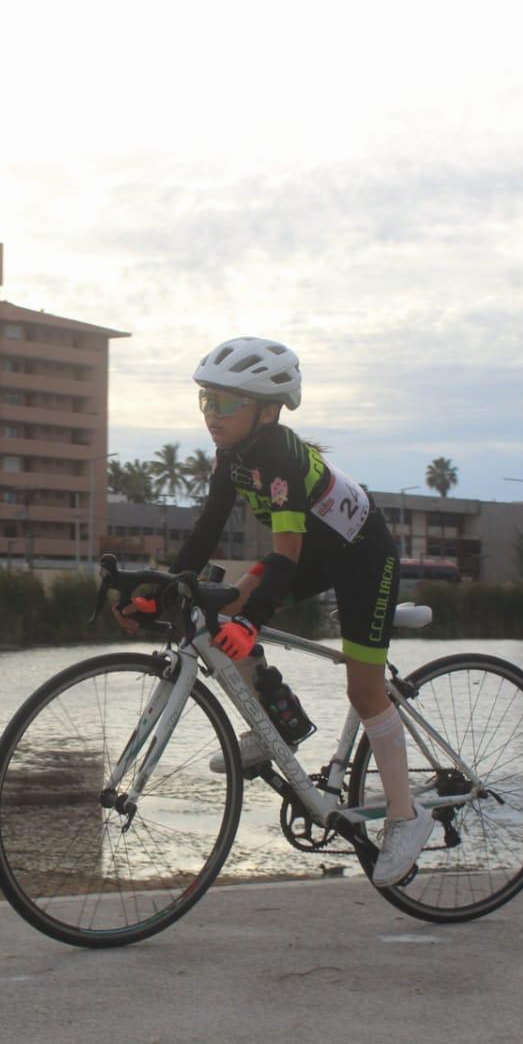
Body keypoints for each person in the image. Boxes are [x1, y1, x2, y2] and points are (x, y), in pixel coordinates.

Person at [114, 335, 432, 887]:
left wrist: (251, 622)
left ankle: (406, 817)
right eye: (206, 401)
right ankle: (278, 723)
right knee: (218, 607)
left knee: (363, 688)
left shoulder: (280, 459)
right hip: (312, 552)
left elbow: (285, 557)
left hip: (361, 558)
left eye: (226, 403)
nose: (212, 414)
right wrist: (159, 586)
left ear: (267, 410)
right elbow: (207, 530)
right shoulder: (231, 455)